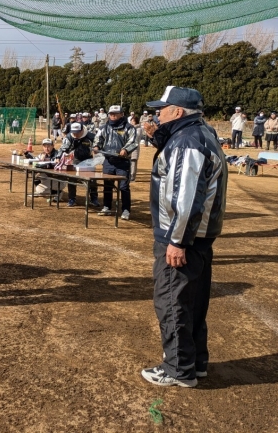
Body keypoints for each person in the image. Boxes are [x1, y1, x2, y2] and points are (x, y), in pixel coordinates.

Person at [140, 86, 227, 388]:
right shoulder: (200, 133)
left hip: (182, 237)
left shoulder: (187, 142)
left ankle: (178, 368)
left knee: (173, 301)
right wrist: (158, 137)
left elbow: (186, 197)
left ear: (177, 111)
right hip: (199, 237)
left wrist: (177, 240)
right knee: (193, 302)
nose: (157, 114)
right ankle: (195, 362)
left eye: (161, 109)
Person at [94, 105, 138, 220]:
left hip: (123, 162)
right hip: (108, 161)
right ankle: (107, 207)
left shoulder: (129, 128)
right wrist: (96, 146)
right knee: (107, 185)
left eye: (115, 114)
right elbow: (98, 139)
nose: (113, 116)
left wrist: (126, 150)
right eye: (111, 114)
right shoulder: (104, 127)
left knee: (124, 187)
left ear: (121, 114)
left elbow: (133, 141)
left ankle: (126, 210)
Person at [59, 122, 98, 207]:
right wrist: (58, 156)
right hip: (75, 159)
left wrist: (96, 148)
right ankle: (72, 199)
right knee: (72, 179)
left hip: (88, 160)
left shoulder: (91, 136)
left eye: (77, 133)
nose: (75, 134)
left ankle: (94, 199)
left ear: (82, 130)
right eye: (74, 132)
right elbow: (63, 147)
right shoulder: (69, 136)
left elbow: (98, 145)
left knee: (92, 180)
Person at [129, 115, 142, 181]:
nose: (131, 122)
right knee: (129, 162)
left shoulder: (139, 129)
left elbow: (136, 137)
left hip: (135, 148)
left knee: (133, 162)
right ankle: (129, 175)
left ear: (136, 122)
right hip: (128, 148)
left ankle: (132, 176)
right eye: (131, 121)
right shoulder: (130, 128)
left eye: (133, 121)